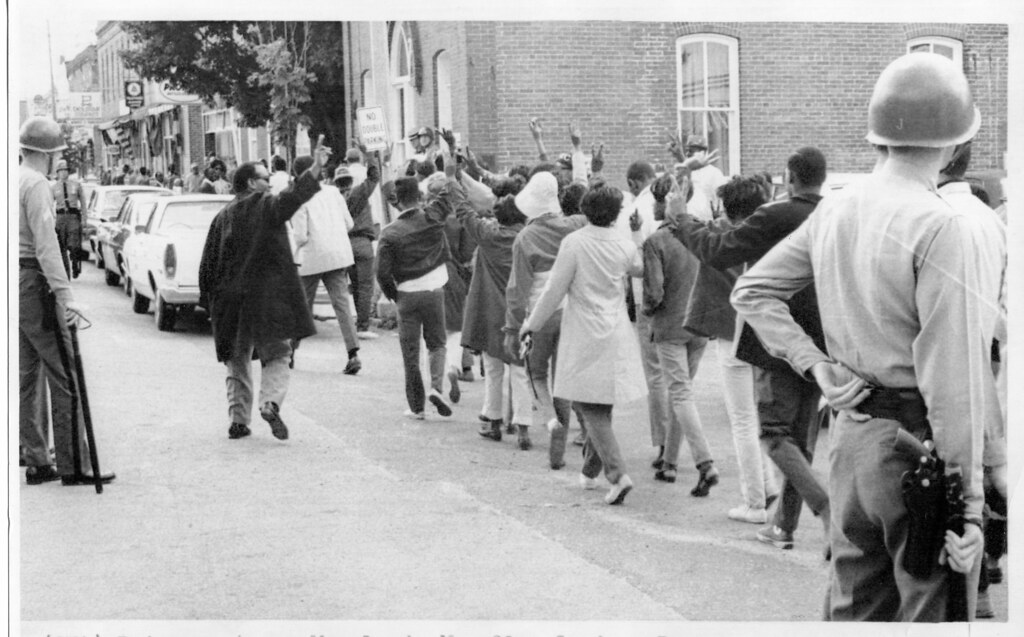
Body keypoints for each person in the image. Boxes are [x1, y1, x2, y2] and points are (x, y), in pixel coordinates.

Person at [731, 53, 1003, 621]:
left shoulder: (836, 208)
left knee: (854, 610)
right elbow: (956, 380)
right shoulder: (944, 224)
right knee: (932, 614)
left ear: (879, 138)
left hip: (852, 441)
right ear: (956, 145)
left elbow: (752, 292)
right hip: (918, 449)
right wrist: (971, 507)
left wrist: (816, 366)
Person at [675, 148, 830, 542]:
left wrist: (680, 219)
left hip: (774, 337)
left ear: (789, 176)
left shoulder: (775, 215)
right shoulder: (837, 215)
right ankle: (783, 525)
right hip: (826, 340)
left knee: (775, 434)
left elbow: (718, 250)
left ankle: (824, 506)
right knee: (801, 438)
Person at [520, 185, 646, 505]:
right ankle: (591, 469)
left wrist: (530, 324)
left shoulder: (574, 243)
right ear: (616, 213)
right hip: (616, 330)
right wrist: (636, 234)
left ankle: (617, 474)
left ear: (584, 211)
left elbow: (554, 291)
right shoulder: (622, 244)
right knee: (602, 403)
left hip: (585, 331)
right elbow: (640, 268)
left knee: (589, 405)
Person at [198, 138, 330, 441]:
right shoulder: (265, 206)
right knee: (279, 354)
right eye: (265, 179)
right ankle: (270, 402)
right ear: (250, 183)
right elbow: (293, 197)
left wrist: (209, 305)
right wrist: (316, 168)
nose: (270, 184)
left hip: (230, 302)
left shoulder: (221, 218)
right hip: (265, 298)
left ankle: (238, 421)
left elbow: (207, 266)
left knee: (237, 360)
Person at [19, 116, 115, 487]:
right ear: (50, 153)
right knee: (64, 374)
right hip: (33, 282)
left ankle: (36, 458)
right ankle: (74, 464)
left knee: (26, 377)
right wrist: (66, 294)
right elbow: (46, 245)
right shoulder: (38, 185)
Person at [375, 149, 464, 420]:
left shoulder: (389, 234)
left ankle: (416, 408)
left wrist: (395, 295)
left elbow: (381, 273)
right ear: (421, 196)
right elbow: (451, 190)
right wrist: (450, 166)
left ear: (395, 202)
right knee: (437, 343)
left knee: (410, 353)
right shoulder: (433, 215)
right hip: (435, 290)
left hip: (407, 295)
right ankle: (436, 387)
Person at [458, 192, 529, 442]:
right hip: (520, 311)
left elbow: (465, 213)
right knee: (521, 371)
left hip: (491, 313)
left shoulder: (489, 237)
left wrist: (452, 178)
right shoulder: (527, 238)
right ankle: (523, 427)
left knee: (493, 369)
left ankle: (493, 420)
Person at [290, 155, 362, 376]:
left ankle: (290, 352)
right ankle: (353, 353)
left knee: (302, 307)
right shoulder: (333, 192)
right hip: (338, 254)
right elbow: (349, 223)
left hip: (312, 257)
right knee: (342, 305)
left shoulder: (300, 198)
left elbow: (301, 236)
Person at [340, 163, 381, 340]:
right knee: (365, 286)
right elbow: (374, 177)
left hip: (346, 243)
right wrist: (371, 156)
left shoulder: (335, 198)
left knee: (355, 285)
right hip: (363, 242)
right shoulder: (359, 192)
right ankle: (363, 325)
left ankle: (358, 322)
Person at [51, 159, 86, 279]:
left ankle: (75, 263)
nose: (64, 173)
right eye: (61, 171)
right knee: (62, 247)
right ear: (57, 173)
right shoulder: (54, 187)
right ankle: (66, 274)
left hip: (73, 217)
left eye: (65, 170)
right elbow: (49, 204)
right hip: (60, 218)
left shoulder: (76, 184)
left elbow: (83, 202)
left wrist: (85, 219)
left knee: (74, 245)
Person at [680, 135, 727, 221]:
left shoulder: (714, 173)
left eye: (691, 151)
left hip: (704, 221)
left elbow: (721, 201)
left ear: (703, 152)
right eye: (687, 151)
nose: (688, 154)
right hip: (685, 219)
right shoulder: (685, 171)